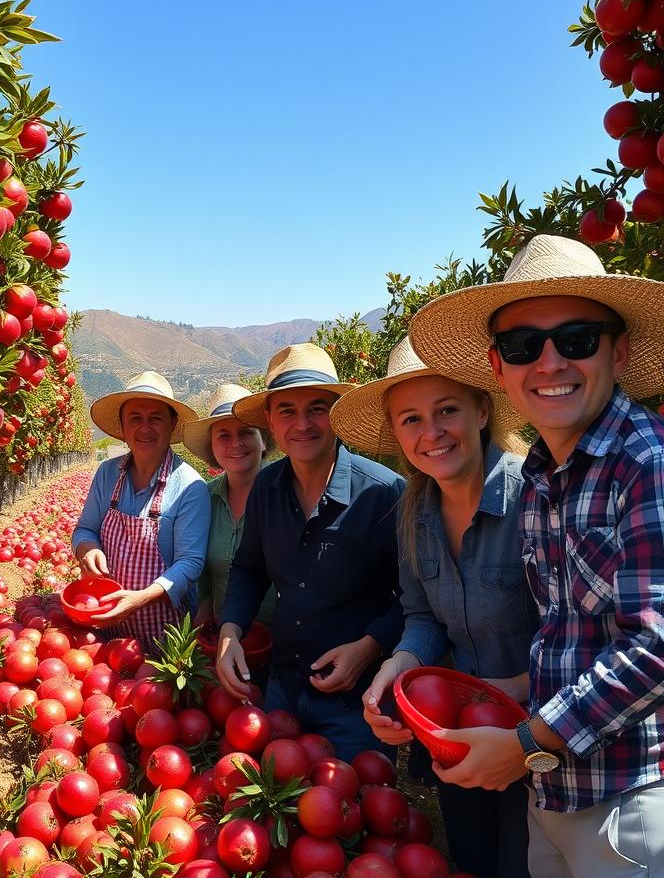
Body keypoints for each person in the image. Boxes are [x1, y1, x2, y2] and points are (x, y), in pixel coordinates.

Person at [408, 234, 664, 878]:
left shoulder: (646, 464)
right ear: (498, 367)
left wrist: (523, 743)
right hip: (554, 791)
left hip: (628, 800)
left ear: (620, 351)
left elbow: (656, 646)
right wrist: (482, 703)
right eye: (524, 346)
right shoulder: (547, 478)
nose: (549, 363)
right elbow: (571, 636)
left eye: (577, 339)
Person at [328, 336, 535, 878]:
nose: (432, 433)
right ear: (396, 434)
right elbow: (422, 618)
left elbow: (579, 632)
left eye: (447, 411)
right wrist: (396, 673)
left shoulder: (535, 497)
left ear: (482, 409)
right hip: (451, 738)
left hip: (539, 738)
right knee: (470, 856)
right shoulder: (414, 511)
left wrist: (498, 696)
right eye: (411, 419)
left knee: (522, 863)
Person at [216, 343, 405, 762]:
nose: (302, 424)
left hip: (355, 705)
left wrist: (368, 648)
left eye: (317, 408)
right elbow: (249, 569)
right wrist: (231, 631)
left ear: (339, 412)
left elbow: (414, 596)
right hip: (284, 686)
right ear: (270, 420)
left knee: (351, 812)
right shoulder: (266, 488)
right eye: (287, 410)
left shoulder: (383, 493)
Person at [72, 371, 210, 652]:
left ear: (171, 425)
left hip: (165, 640)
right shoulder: (107, 473)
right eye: (135, 418)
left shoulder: (189, 486)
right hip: (108, 629)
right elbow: (85, 529)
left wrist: (142, 597)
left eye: (155, 418)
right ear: (122, 427)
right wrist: (87, 549)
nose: (145, 427)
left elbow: (191, 562)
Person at [181, 384, 276, 629]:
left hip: (284, 642)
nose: (235, 443)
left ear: (264, 441)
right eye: (224, 435)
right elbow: (204, 575)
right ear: (212, 446)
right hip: (225, 638)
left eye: (245, 432)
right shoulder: (204, 498)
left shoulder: (287, 494)